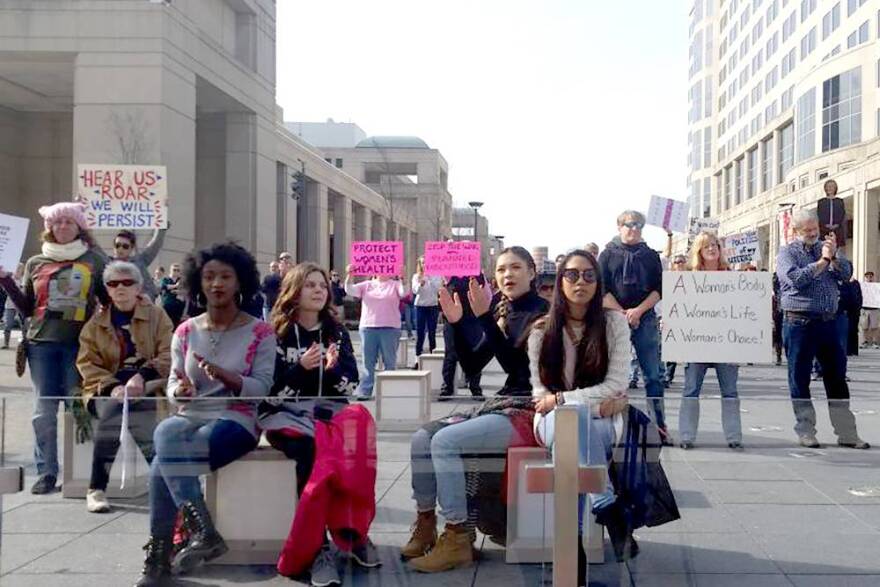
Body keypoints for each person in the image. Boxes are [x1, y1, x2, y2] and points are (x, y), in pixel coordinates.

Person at [135, 241, 276, 586]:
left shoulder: (261, 331)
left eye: (225, 276)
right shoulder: (184, 331)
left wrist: (229, 377)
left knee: (161, 461)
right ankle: (200, 531)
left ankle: (159, 558)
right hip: (190, 416)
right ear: (198, 282)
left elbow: (262, 389)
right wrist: (177, 390)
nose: (217, 284)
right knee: (168, 433)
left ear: (240, 282)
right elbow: (171, 382)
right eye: (209, 276)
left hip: (237, 419)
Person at [403, 246, 549, 573]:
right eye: (501, 270)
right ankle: (425, 523)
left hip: (532, 410)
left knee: (446, 441)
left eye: (515, 268)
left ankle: (457, 535)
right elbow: (472, 365)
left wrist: (484, 318)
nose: (507, 275)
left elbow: (517, 365)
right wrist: (455, 324)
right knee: (422, 437)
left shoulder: (544, 314)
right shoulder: (502, 310)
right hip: (503, 405)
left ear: (531, 273)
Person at [258, 262, 379, 585]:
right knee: (314, 455)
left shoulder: (336, 332)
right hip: (288, 416)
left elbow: (351, 386)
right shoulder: (275, 333)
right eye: (310, 285)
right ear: (294, 291)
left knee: (359, 441)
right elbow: (267, 396)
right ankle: (317, 548)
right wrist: (301, 369)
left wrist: (332, 370)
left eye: (322, 286)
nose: (317, 290)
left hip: (331, 412)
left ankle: (351, 532)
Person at [529, 249, 633, 569]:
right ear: (560, 282)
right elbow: (540, 394)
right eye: (572, 275)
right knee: (569, 425)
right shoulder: (541, 330)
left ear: (598, 283)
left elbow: (615, 384)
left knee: (570, 440)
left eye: (589, 275)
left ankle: (571, 550)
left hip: (604, 421)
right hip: (549, 420)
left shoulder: (614, 323)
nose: (581, 282)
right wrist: (581, 404)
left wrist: (563, 400)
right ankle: (605, 503)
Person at [0, 202, 108, 494]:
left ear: (79, 227)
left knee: (79, 410)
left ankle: (82, 474)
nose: (62, 227)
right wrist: (6, 281)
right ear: (49, 229)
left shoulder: (94, 260)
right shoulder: (36, 262)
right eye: (57, 223)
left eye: (68, 222)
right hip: (41, 346)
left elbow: (108, 300)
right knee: (43, 413)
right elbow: (26, 307)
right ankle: (47, 471)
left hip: (79, 347)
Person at [76, 261, 173, 513]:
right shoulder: (95, 324)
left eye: (127, 282)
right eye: (113, 283)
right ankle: (170, 487)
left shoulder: (157, 316)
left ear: (138, 287)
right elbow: (87, 363)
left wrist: (141, 377)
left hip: (151, 385)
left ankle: (96, 486)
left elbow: (168, 353)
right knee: (119, 410)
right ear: (107, 290)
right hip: (107, 389)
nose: (120, 287)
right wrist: (113, 388)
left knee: (134, 408)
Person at [775, 209, 868, 450]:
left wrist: (834, 257)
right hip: (799, 323)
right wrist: (822, 262)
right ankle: (806, 430)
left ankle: (847, 433)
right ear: (796, 231)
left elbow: (847, 275)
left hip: (829, 321)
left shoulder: (827, 247)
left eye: (814, 228)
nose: (812, 233)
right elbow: (795, 279)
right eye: (806, 230)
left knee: (837, 378)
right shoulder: (788, 253)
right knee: (799, 378)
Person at [598, 210, 668, 442]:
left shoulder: (650, 255)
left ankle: (658, 425)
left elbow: (659, 288)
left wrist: (638, 311)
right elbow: (601, 288)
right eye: (629, 225)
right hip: (614, 317)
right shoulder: (607, 254)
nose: (634, 229)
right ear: (619, 226)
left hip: (644, 317)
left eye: (639, 225)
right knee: (612, 374)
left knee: (653, 375)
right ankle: (611, 424)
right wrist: (621, 312)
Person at [677, 233, 744, 450]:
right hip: (697, 343)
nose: (712, 249)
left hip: (727, 343)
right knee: (691, 390)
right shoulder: (688, 278)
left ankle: (734, 437)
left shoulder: (732, 276)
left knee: (730, 391)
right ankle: (686, 436)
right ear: (699, 251)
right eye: (706, 246)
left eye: (714, 245)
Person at [344, 268, 409, 399]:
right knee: (368, 362)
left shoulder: (395, 285)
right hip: (368, 327)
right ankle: (365, 390)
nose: (383, 271)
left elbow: (404, 292)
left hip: (390, 327)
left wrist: (403, 278)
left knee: (389, 362)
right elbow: (349, 290)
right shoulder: (366, 285)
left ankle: (388, 391)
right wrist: (349, 275)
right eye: (379, 268)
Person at [438, 274, 490, 399]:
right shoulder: (448, 275)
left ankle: (474, 387)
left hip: (472, 319)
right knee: (450, 354)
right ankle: (447, 387)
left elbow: (487, 296)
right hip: (452, 319)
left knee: (475, 352)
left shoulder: (478, 276)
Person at [98, 228, 168, 300]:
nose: (120, 249)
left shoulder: (139, 261)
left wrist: (161, 229)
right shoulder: (106, 265)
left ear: (131, 248)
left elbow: (155, 246)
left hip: (141, 307)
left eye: (125, 246)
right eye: (117, 245)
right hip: (115, 307)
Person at [662, 254, 688, 386]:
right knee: (670, 347)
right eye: (677, 262)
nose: (679, 264)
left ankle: (690, 376)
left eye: (682, 262)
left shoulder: (693, 278)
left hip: (689, 316)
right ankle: (667, 376)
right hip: (671, 316)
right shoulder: (667, 280)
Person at [412, 257, 443, 357]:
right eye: (423, 263)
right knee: (420, 333)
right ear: (420, 265)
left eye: (426, 263)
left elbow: (437, 290)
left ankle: (432, 355)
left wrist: (429, 279)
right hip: (420, 307)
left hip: (432, 306)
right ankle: (417, 357)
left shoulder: (437, 276)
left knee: (432, 333)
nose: (425, 265)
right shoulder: (416, 276)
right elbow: (415, 291)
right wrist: (420, 285)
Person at [2, 263, 26, 349]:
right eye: (17, 268)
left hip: (21, 306)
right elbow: (5, 290)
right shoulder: (9, 279)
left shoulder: (25, 280)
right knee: (8, 324)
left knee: (23, 325)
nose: (18, 270)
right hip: (10, 305)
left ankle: (25, 342)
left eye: (20, 269)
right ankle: (6, 343)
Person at [263, 252, 292, 321]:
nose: (285, 262)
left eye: (288, 260)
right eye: (282, 260)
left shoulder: (294, 278)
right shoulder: (270, 279)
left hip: (287, 311)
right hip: (272, 309)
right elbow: (263, 290)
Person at [817, 179, 847, 248]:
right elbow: (820, 215)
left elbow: (842, 214)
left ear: (835, 188)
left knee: (836, 251)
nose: (830, 188)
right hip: (824, 230)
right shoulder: (821, 202)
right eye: (828, 186)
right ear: (825, 188)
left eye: (832, 186)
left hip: (837, 229)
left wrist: (836, 225)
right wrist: (826, 225)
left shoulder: (840, 201)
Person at [157, 263, 185, 327]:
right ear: (170, 270)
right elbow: (165, 286)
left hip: (179, 306)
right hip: (167, 306)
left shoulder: (182, 280)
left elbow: (187, 290)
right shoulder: (165, 279)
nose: (176, 272)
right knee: (166, 325)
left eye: (178, 270)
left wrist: (178, 291)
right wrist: (176, 285)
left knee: (176, 325)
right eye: (174, 270)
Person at [860, 271, 879, 348]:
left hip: (874, 308)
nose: (869, 278)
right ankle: (865, 341)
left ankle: (874, 342)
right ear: (865, 277)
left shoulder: (877, 286)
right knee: (864, 326)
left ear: (873, 277)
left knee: (874, 326)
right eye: (867, 276)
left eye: (871, 276)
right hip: (864, 308)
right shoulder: (862, 285)